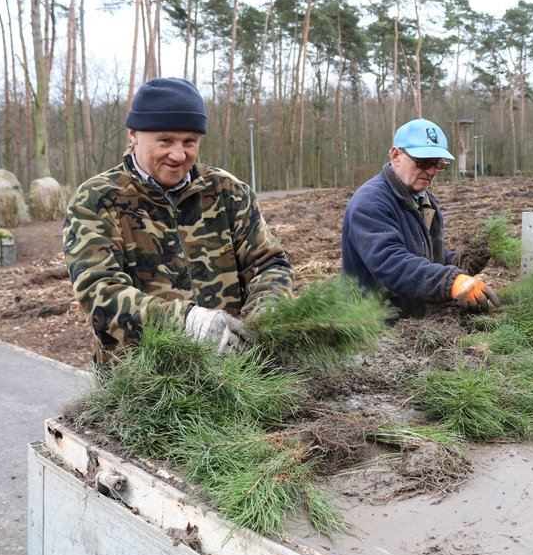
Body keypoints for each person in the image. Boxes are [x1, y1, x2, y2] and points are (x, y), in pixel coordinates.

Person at [64, 77, 293, 364]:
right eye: (165, 141)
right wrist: (189, 323)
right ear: (133, 134)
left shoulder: (227, 192)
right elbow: (100, 293)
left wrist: (265, 314)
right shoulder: (97, 199)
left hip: (233, 373)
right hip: (142, 382)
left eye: (190, 142)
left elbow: (269, 264)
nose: (178, 155)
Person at [341, 118, 500, 320]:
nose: (432, 171)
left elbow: (428, 259)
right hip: (371, 328)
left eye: (438, 163)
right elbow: (392, 264)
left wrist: (464, 261)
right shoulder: (370, 203)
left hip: (409, 325)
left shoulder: (423, 200)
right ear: (396, 155)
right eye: (423, 162)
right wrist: (451, 282)